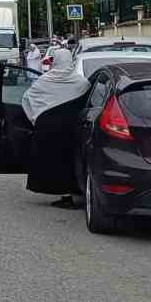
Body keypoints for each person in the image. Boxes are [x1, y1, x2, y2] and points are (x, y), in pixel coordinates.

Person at [21, 47, 94, 206]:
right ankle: (73, 192)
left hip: (48, 128)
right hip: (72, 129)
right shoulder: (81, 82)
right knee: (70, 160)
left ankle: (62, 193)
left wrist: (35, 118)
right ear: (70, 61)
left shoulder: (44, 81)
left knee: (54, 161)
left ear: (55, 61)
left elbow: (27, 99)